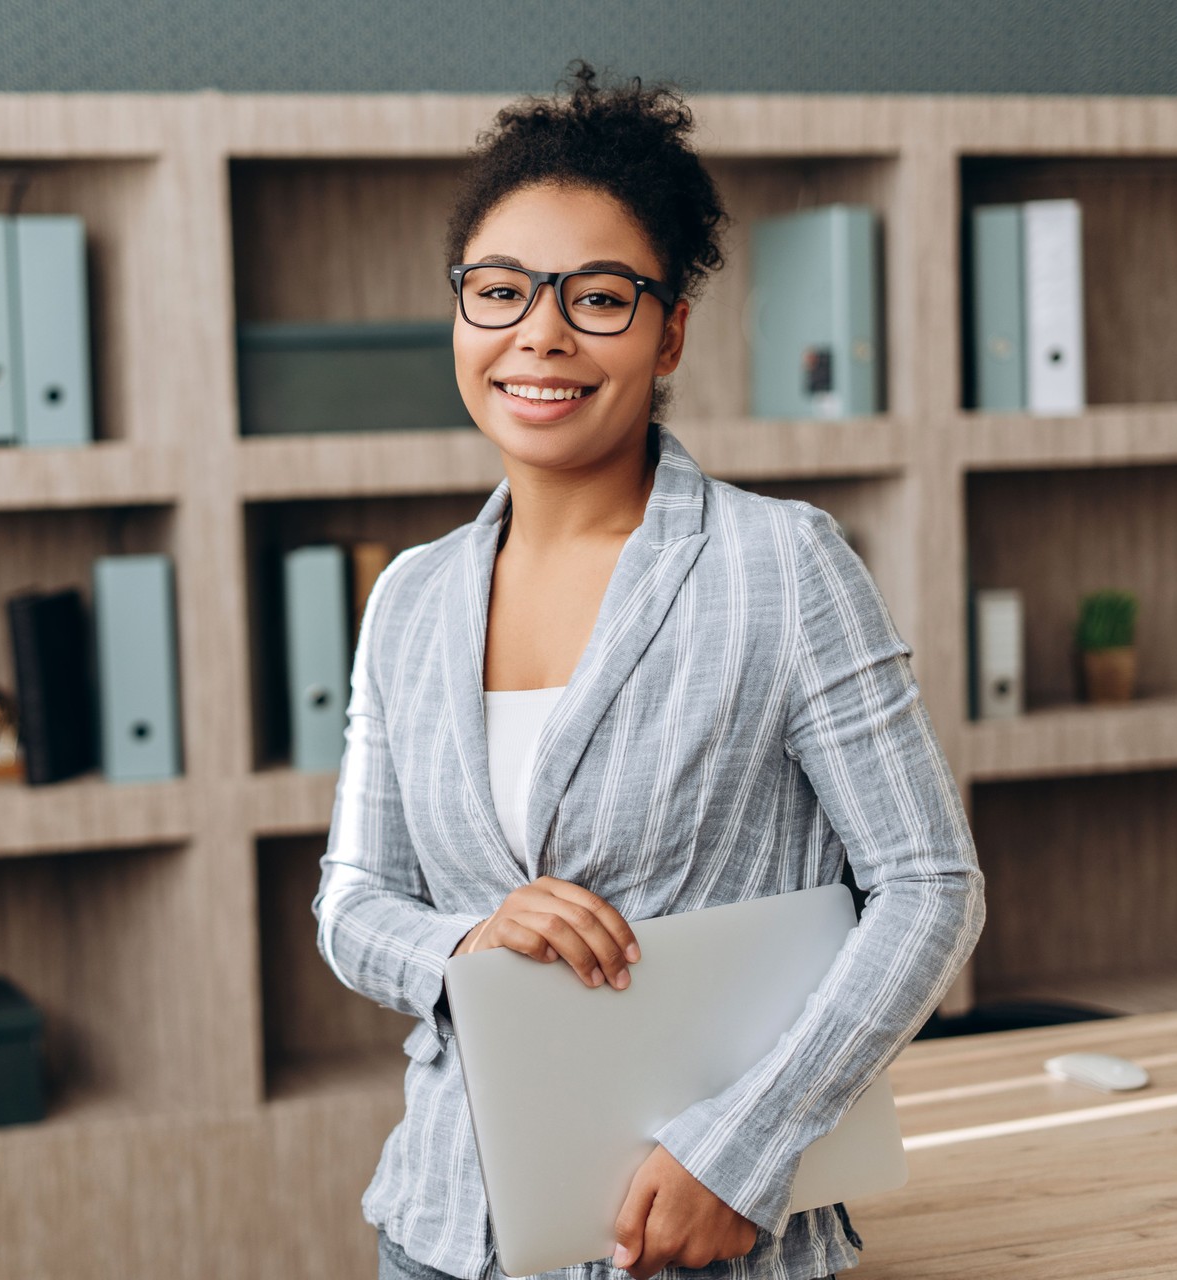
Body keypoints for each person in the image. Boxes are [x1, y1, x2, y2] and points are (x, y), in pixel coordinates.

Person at [312, 60, 985, 1280]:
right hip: (443, 1232)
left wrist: (749, 1145)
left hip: (709, 1239)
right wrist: (463, 944)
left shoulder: (783, 563)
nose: (543, 333)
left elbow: (931, 887)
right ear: (459, 313)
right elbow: (352, 903)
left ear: (671, 328)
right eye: (501, 290)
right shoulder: (407, 597)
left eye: (601, 297)